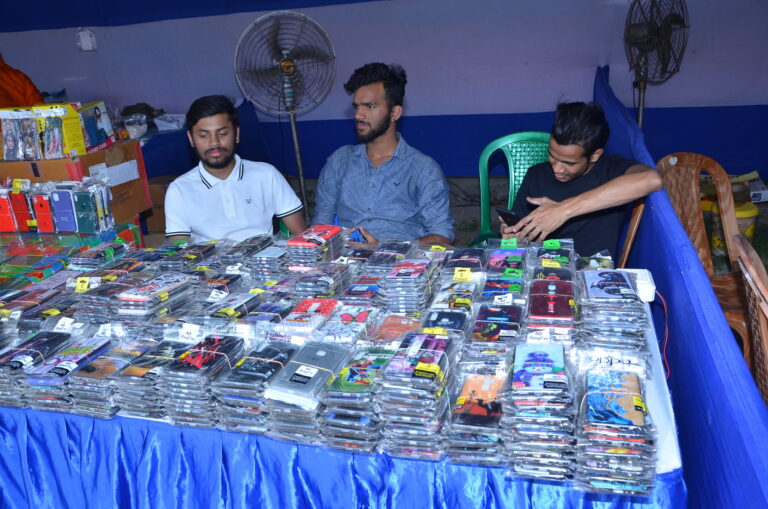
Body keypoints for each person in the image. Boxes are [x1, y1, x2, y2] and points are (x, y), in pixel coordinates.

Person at [313, 63, 454, 247]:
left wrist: (385, 248)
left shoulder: (422, 169)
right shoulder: (340, 161)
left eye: (369, 106)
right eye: (356, 106)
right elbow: (320, 227)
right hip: (345, 260)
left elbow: (442, 238)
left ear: (394, 112)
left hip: (402, 261)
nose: (358, 115)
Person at [501, 101, 663, 258]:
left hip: (592, 270)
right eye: (552, 155)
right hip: (541, 268)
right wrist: (513, 234)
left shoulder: (611, 170)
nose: (557, 168)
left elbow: (652, 180)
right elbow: (520, 227)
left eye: (569, 163)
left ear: (595, 155)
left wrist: (562, 211)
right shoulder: (536, 174)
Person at [165, 95, 306, 243]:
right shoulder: (179, 190)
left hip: (264, 256)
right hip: (205, 258)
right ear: (191, 139)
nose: (214, 143)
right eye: (204, 135)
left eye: (222, 133)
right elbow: (179, 250)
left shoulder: (267, 175)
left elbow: (301, 236)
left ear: (236, 134)